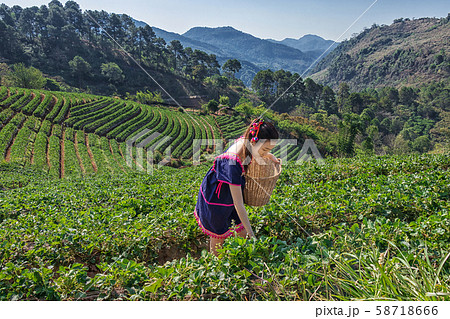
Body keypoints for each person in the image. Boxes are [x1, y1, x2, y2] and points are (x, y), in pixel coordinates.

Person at [193, 117, 281, 256]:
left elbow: (260, 152)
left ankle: (240, 261)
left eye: (269, 149)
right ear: (254, 141)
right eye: (265, 149)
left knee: (242, 232)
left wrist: (270, 156)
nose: (265, 153)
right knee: (218, 238)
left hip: (227, 192)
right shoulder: (232, 163)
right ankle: (214, 267)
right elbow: (238, 204)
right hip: (216, 198)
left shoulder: (247, 141)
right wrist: (253, 235)